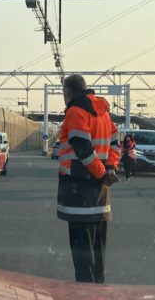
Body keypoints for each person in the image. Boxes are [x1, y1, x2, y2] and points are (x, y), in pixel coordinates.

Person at [56, 74, 121, 284]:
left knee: (82, 258)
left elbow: (83, 149)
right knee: (99, 252)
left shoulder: (76, 112)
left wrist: (102, 173)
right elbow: (115, 144)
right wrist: (110, 169)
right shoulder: (104, 114)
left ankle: (84, 295)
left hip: (79, 193)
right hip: (100, 196)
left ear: (68, 92)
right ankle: (99, 292)